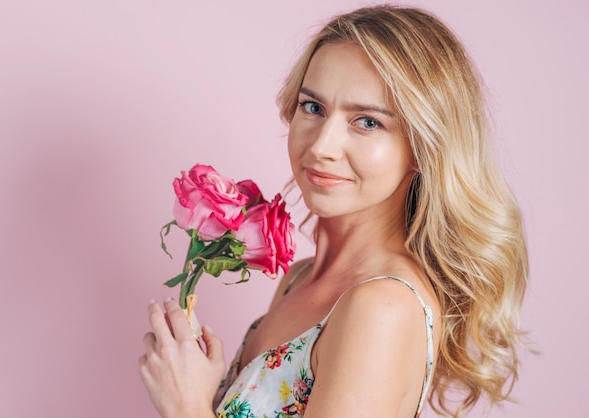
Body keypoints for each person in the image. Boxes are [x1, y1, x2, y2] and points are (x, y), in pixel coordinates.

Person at [138, 5, 528, 418]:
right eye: (313, 108)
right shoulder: (298, 278)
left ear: (422, 149)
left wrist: (185, 406)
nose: (322, 146)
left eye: (367, 122)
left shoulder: (382, 308)